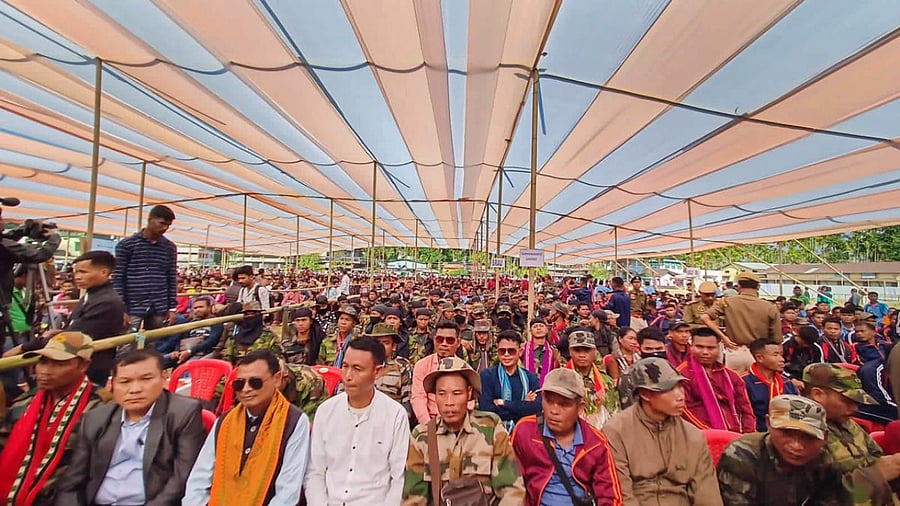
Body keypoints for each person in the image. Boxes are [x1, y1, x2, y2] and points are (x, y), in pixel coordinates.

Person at [55, 349, 205, 505]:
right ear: (112, 384)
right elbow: (72, 481)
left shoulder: (183, 413)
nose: (135, 389)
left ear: (163, 378)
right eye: (125, 382)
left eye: (146, 379)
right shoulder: (95, 419)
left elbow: (182, 478)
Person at [183, 350, 310, 506]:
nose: (246, 389)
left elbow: (288, 492)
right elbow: (199, 479)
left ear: (277, 379)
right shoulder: (225, 422)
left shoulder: (294, 421)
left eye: (255, 382)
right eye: (239, 384)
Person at [0, 332, 110, 504]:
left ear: (83, 365)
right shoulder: (24, 402)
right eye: (43, 362)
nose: (45, 371)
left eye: (59, 363)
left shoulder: (103, 407)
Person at [403, 357, 526, 505]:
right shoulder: (422, 437)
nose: (449, 402)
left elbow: (512, 491)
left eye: (456, 393)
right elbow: (413, 499)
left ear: (468, 393)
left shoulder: (490, 429)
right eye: (442, 394)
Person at [603, 358, 722, 506]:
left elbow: (707, 494)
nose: (680, 396)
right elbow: (621, 493)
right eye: (670, 389)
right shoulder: (617, 431)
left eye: (680, 387)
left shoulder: (693, 436)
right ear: (646, 394)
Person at [306, 337, 409, 505]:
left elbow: (399, 479)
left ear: (377, 372)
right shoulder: (326, 411)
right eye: (345, 366)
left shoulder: (395, 415)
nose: (348, 376)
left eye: (357, 369)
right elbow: (315, 472)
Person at [511, 368, 623, 505]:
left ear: (580, 408)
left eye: (564, 404)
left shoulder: (595, 443)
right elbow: (510, 483)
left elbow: (610, 496)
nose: (554, 411)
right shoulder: (525, 431)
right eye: (549, 401)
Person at [18, 251, 125, 386]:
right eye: (76, 272)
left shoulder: (106, 301)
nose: (77, 277)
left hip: (89, 367)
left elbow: (75, 335)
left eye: (83, 272)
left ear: (104, 272)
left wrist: (24, 347)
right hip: (79, 363)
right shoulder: (93, 295)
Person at [717, 395, 844, 505]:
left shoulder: (824, 463)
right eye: (786, 433)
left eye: (808, 437)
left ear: (824, 437)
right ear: (769, 424)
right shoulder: (742, 455)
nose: (796, 446)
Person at [802, 363, 900, 504]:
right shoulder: (800, 436)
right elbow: (821, 499)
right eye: (847, 401)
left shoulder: (847, 423)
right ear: (818, 394)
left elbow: (876, 458)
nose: (855, 408)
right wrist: (877, 474)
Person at [677, 328, 755, 433]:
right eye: (699, 347)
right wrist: (716, 435)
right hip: (699, 434)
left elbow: (745, 409)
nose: (705, 352)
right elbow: (684, 411)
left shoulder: (732, 376)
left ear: (719, 348)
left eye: (711, 348)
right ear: (691, 347)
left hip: (735, 434)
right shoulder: (681, 375)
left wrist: (747, 434)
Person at [113, 204, 178, 331]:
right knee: (127, 339)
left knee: (154, 339)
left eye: (168, 225)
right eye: (162, 223)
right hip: (132, 306)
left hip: (159, 305)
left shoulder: (169, 247)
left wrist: (172, 308)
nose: (165, 228)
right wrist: (121, 309)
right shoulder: (127, 245)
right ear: (150, 219)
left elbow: (171, 278)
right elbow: (118, 278)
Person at [701, 271, 781, 373]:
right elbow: (777, 339)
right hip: (760, 355)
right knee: (759, 382)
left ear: (738, 286)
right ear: (758, 287)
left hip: (734, 352)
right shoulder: (770, 307)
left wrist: (723, 337)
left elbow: (704, 317)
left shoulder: (727, 302)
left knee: (732, 382)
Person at [479, 330, 542, 432]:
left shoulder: (530, 377)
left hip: (525, 432)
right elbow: (487, 410)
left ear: (520, 352)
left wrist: (503, 403)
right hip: (495, 432)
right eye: (502, 351)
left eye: (511, 351)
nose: (506, 354)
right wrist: (523, 404)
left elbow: (536, 407)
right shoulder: (487, 376)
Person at [411, 320, 469, 424]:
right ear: (434, 340)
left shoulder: (465, 369)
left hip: (459, 423)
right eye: (440, 339)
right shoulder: (422, 366)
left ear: (458, 342)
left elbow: (469, 402)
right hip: (431, 420)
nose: (444, 344)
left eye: (450, 340)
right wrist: (428, 425)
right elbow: (418, 398)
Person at [742, 339, 798, 433]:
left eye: (781, 355)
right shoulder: (743, 382)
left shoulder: (787, 383)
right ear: (759, 358)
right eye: (775, 355)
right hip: (756, 435)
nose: (782, 359)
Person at [564, 330, 618, 428]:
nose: (582, 355)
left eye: (587, 350)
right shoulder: (561, 379)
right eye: (577, 350)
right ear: (570, 352)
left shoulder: (606, 382)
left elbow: (615, 414)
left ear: (594, 351)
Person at [159, 295, 223, 368]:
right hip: (185, 351)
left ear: (209, 308)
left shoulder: (215, 322)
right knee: (158, 361)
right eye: (195, 308)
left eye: (201, 307)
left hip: (201, 353)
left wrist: (190, 351)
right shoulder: (191, 323)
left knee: (186, 367)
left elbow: (211, 341)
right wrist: (177, 351)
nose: (198, 310)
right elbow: (181, 339)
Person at [368, 323, 413, 421]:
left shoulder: (403, 366)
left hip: (391, 418)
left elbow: (407, 400)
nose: (381, 347)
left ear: (393, 346)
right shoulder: (363, 364)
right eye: (377, 343)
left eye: (386, 343)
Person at [782, 326, 824, 391]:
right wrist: (791, 379)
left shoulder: (816, 348)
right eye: (804, 342)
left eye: (808, 344)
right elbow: (777, 366)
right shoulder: (785, 344)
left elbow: (819, 367)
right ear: (798, 336)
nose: (806, 345)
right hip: (786, 377)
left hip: (807, 380)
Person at [522, 317, 556, 385]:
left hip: (548, 386)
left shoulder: (554, 351)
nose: (538, 328)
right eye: (535, 326)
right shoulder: (523, 349)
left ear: (546, 330)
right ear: (530, 331)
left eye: (541, 326)